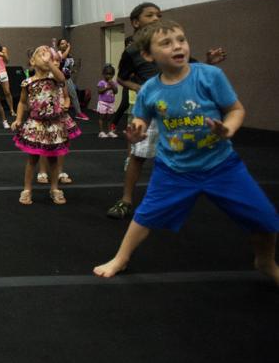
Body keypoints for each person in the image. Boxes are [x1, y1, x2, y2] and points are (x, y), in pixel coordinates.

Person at [94, 20, 279, 285]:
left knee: (265, 218)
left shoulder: (209, 76)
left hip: (221, 166)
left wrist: (227, 129)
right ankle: (120, 258)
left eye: (181, 40)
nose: (177, 46)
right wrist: (137, 132)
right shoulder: (150, 90)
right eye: (166, 43)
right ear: (148, 55)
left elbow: (236, 110)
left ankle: (266, 261)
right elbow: (141, 120)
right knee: (145, 216)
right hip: (174, 170)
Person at [106, 2, 227, 219]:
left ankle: (176, 196)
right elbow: (122, 78)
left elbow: (193, 68)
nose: (156, 18)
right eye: (149, 15)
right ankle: (125, 200)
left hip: (177, 107)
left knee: (179, 151)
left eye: (159, 15)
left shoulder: (171, 46)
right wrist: (140, 88)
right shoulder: (132, 51)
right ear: (135, 22)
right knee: (138, 154)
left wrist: (209, 62)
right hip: (151, 107)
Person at [10, 46, 81, 205]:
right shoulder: (27, 82)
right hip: (36, 124)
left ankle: (54, 188)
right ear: (32, 61)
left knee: (54, 160)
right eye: (40, 54)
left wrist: (50, 64)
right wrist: (18, 119)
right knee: (32, 159)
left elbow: (62, 78)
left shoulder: (54, 78)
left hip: (54, 125)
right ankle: (27, 189)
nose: (45, 56)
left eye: (47, 54)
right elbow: (22, 102)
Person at [56, 38, 87, 120]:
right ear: (59, 46)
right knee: (60, 97)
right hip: (59, 79)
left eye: (66, 43)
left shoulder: (70, 55)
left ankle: (79, 113)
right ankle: (58, 114)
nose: (65, 45)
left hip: (68, 78)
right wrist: (69, 47)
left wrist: (72, 71)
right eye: (62, 43)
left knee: (74, 95)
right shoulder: (58, 53)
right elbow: (62, 58)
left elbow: (67, 67)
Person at [96, 64, 119, 138]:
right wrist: (107, 88)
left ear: (113, 75)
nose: (108, 76)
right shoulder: (101, 82)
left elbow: (116, 92)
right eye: (107, 74)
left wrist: (113, 86)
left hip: (111, 103)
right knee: (101, 117)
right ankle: (101, 132)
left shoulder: (114, 83)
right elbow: (99, 91)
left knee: (109, 118)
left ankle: (109, 132)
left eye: (111, 74)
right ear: (103, 74)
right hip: (103, 102)